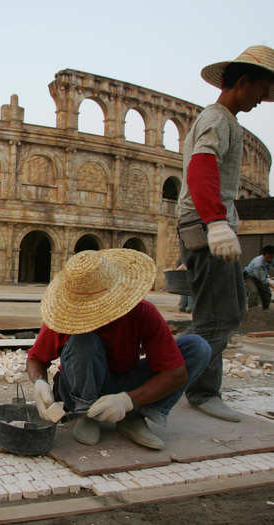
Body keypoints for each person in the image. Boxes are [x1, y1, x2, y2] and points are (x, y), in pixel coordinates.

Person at [27, 250, 211, 450]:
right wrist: (39, 382)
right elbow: (36, 359)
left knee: (197, 348)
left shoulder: (142, 312)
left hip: (124, 381)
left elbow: (176, 373)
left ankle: (135, 416)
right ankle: (87, 414)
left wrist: (128, 401)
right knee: (83, 339)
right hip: (79, 387)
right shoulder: (66, 316)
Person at [176, 45, 273, 422]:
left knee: (228, 310)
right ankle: (172, 386)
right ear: (243, 82)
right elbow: (202, 167)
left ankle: (199, 387)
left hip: (210, 224)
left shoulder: (227, 121)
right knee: (218, 316)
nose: (263, 100)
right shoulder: (216, 119)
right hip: (205, 225)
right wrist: (215, 222)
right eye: (261, 90)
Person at [244, 245, 274, 310]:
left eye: (272, 257)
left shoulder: (271, 259)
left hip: (261, 276)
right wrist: (272, 286)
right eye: (268, 257)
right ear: (264, 255)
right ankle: (252, 310)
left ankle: (266, 309)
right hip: (249, 276)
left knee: (267, 293)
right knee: (254, 291)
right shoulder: (258, 263)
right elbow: (263, 280)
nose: (270, 259)